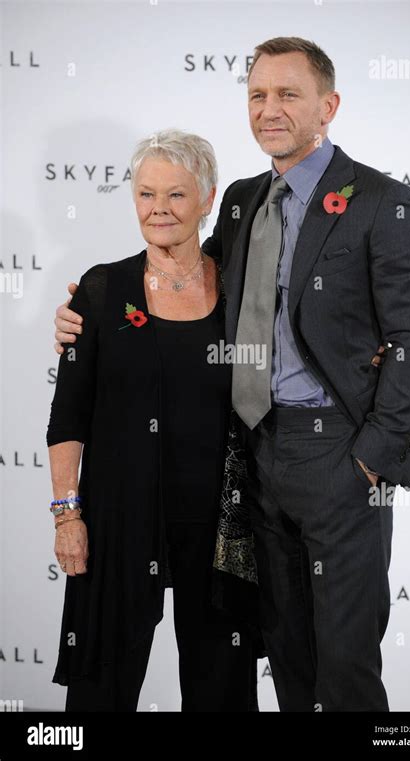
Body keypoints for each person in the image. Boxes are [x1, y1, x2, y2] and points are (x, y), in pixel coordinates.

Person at [53, 36, 410, 712]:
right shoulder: (238, 202)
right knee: (286, 650)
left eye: (288, 94)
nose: (269, 109)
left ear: (329, 106)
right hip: (255, 459)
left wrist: (371, 460)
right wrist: (87, 311)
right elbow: (183, 277)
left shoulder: (382, 201)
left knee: (345, 665)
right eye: (258, 94)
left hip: (340, 455)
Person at [47, 129, 260, 712]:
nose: (158, 210)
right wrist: (68, 516)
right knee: (100, 693)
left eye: (176, 196)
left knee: (223, 690)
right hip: (120, 520)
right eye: (145, 195)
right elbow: (68, 415)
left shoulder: (239, 286)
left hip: (220, 525)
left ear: (208, 198)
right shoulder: (101, 288)